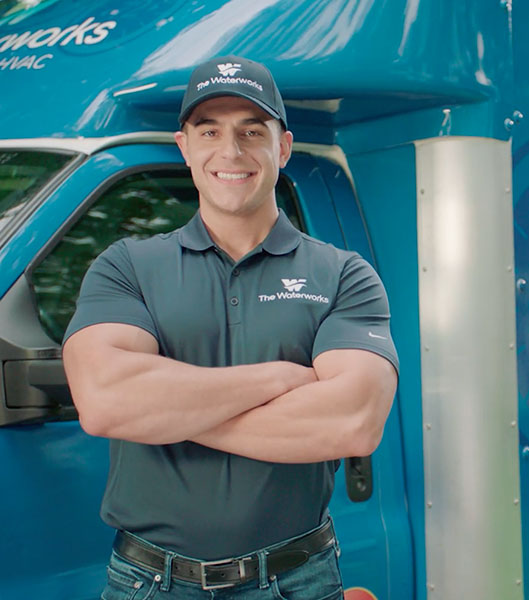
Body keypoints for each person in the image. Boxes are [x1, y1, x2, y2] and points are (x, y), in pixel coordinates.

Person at [62, 55, 398, 599]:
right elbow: (104, 402)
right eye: (210, 130)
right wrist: (277, 379)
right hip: (150, 583)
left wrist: (158, 412)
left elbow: (353, 422)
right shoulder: (125, 266)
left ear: (282, 147)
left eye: (251, 131)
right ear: (185, 147)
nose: (231, 151)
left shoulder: (343, 275)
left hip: (297, 580)